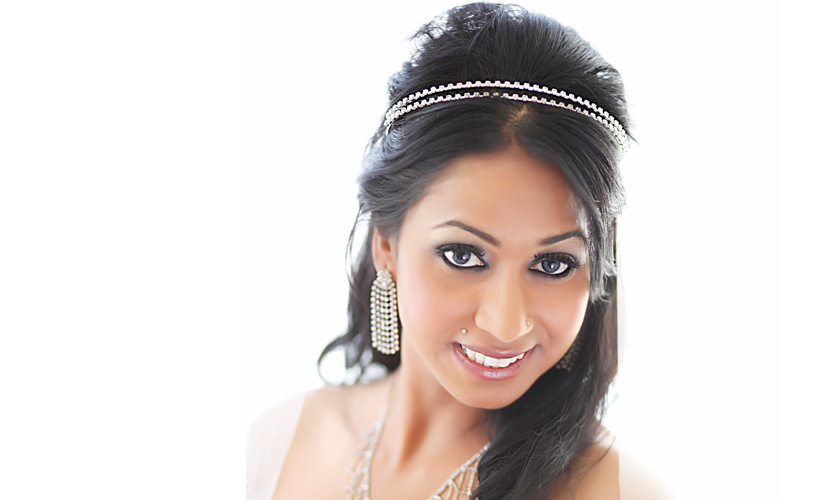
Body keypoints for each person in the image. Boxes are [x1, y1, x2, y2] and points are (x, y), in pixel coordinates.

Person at [247, 3, 667, 499]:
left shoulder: (614, 490)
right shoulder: (280, 439)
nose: (505, 324)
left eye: (553, 264)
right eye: (464, 256)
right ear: (386, 244)